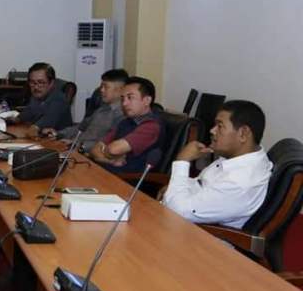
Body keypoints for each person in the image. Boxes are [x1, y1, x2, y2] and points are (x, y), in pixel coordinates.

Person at [161, 100, 272, 228]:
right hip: (183, 219)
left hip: (194, 233)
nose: (212, 131)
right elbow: (202, 184)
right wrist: (176, 187)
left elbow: (177, 211)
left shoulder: (238, 182)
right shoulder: (240, 157)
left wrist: (182, 160)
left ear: (243, 133)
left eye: (220, 126)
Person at [43, 69, 128, 153]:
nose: (101, 90)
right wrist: (59, 134)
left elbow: (109, 143)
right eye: (101, 86)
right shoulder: (102, 109)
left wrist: (78, 145)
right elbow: (80, 127)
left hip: (87, 153)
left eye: (106, 87)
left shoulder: (122, 115)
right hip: (72, 147)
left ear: (121, 90)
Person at [90, 76, 164, 172]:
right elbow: (95, 149)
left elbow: (113, 150)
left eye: (130, 97)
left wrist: (104, 150)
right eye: (122, 98)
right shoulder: (125, 122)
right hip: (109, 171)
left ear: (147, 100)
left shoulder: (151, 126)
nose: (124, 103)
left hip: (129, 178)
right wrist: (111, 161)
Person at [15, 62, 72, 135]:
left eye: (41, 82)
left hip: (59, 140)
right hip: (41, 138)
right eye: (32, 82)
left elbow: (41, 124)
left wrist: (33, 128)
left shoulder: (59, 100)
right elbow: (28, 113)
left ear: (51, 83)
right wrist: (14, 119)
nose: (36, 87)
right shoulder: (38, 95)